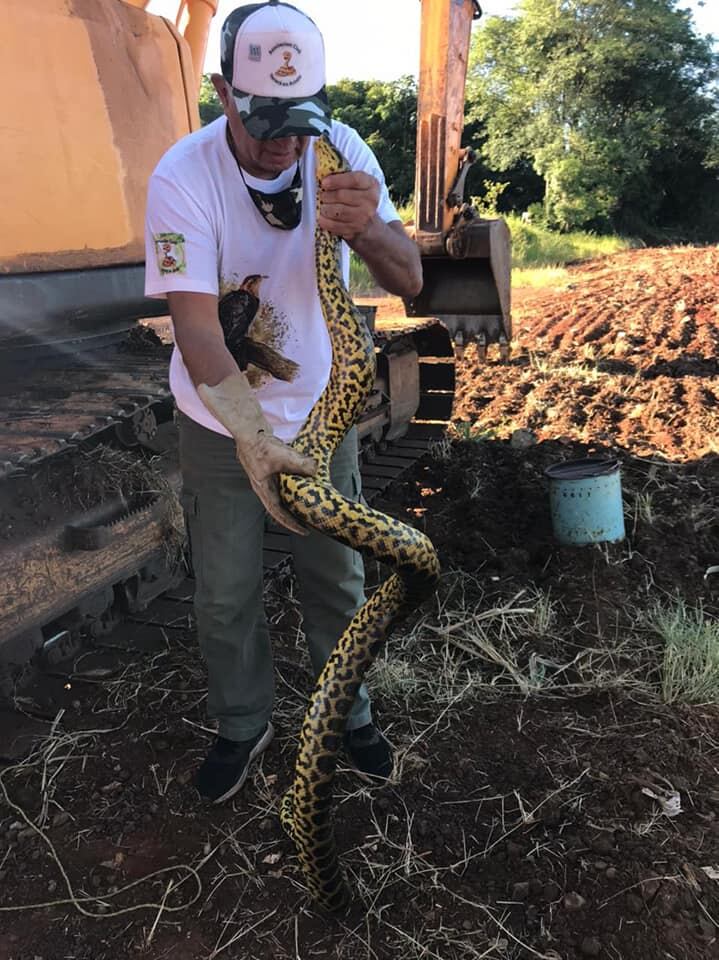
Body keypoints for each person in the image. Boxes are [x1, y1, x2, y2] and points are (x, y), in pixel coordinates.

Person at [144, 0, 423, 804]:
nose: (283, 143)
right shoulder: (182, 176)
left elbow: (407, 281)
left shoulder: (340, 152)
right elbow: (196, 330)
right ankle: (242, 723)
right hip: (218, 419)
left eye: (298, 121)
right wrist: (253, 440)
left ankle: (351, 715)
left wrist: (369, 229)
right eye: (264, 119)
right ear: (225, 94)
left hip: (322, 414)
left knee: (335, 577)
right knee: (225, 592)